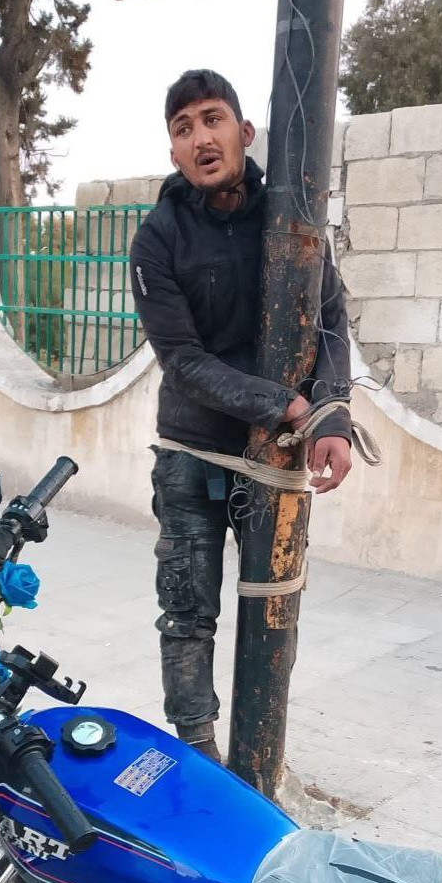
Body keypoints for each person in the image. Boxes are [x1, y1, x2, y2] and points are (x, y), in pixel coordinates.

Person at [130, 69, 352, 763]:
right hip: (192, 457)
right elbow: (185, 361)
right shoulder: (156, 239)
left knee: (272, 609)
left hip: (276, 462)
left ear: (243, 132)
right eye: (182, 128)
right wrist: (287, 405)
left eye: (211, 118)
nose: (199, 137)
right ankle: (198, 759)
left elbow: (333, 315)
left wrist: (335, 417)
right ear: (172, 153)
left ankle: (256, 761)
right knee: (188, 617)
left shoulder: (289, 219)